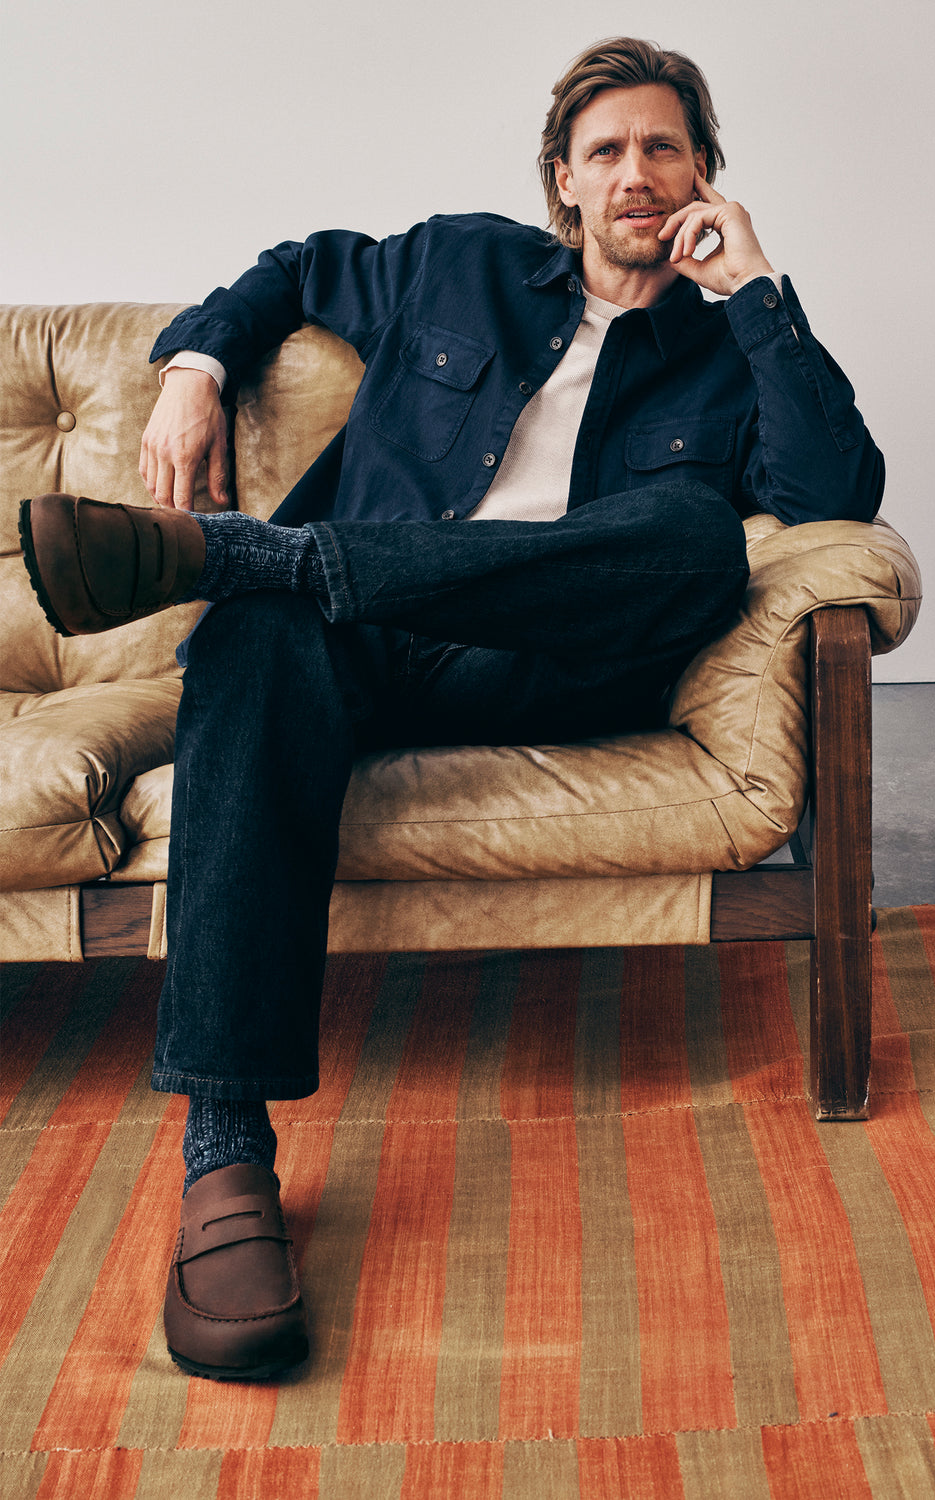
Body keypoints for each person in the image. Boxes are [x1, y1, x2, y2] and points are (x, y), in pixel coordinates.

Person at [19, 37, 884, 1381]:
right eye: (607, 151)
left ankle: (257, 555)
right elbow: (294, 267)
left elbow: (835, 496)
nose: (637, 174)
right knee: (256, 633)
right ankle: (225, 1156)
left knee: (693, 537)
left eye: (664, 148)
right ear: (563, 182)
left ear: (704, 174)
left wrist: (760, 291)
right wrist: (194, 367)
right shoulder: (454, 265)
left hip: (542, 665)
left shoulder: (730, 350)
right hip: (359, 647)